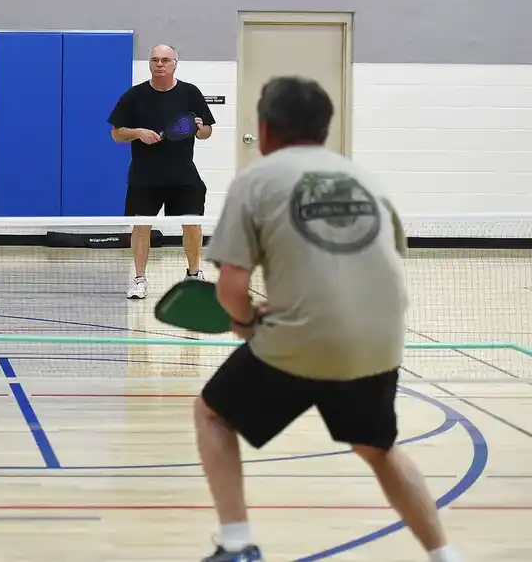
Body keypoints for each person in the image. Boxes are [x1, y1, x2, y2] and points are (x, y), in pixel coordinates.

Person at [194, 76, 461, 562]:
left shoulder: (256, 179)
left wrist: (247, 319)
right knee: (377, 448)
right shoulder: (366, 179)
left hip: (302, 340)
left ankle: (236, 544)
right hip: (380, 341)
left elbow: (231, 290)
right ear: (325, 128)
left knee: (212, 413)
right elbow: (377, 266)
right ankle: (446, 555)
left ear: (265, 128)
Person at [108, 44, 215, 300]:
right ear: (149, 64)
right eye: (155, 60)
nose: (160, 64)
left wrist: (199, 128)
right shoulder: (134, 96)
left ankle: (193, 275)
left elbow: (206, 132)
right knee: (141, 227)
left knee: (192, 224)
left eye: (165, 60)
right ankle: (139, 279)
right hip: (145, 176)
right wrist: (138, 133)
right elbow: (116, 133)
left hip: (183, 175)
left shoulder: (190, 93)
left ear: (175, 63)